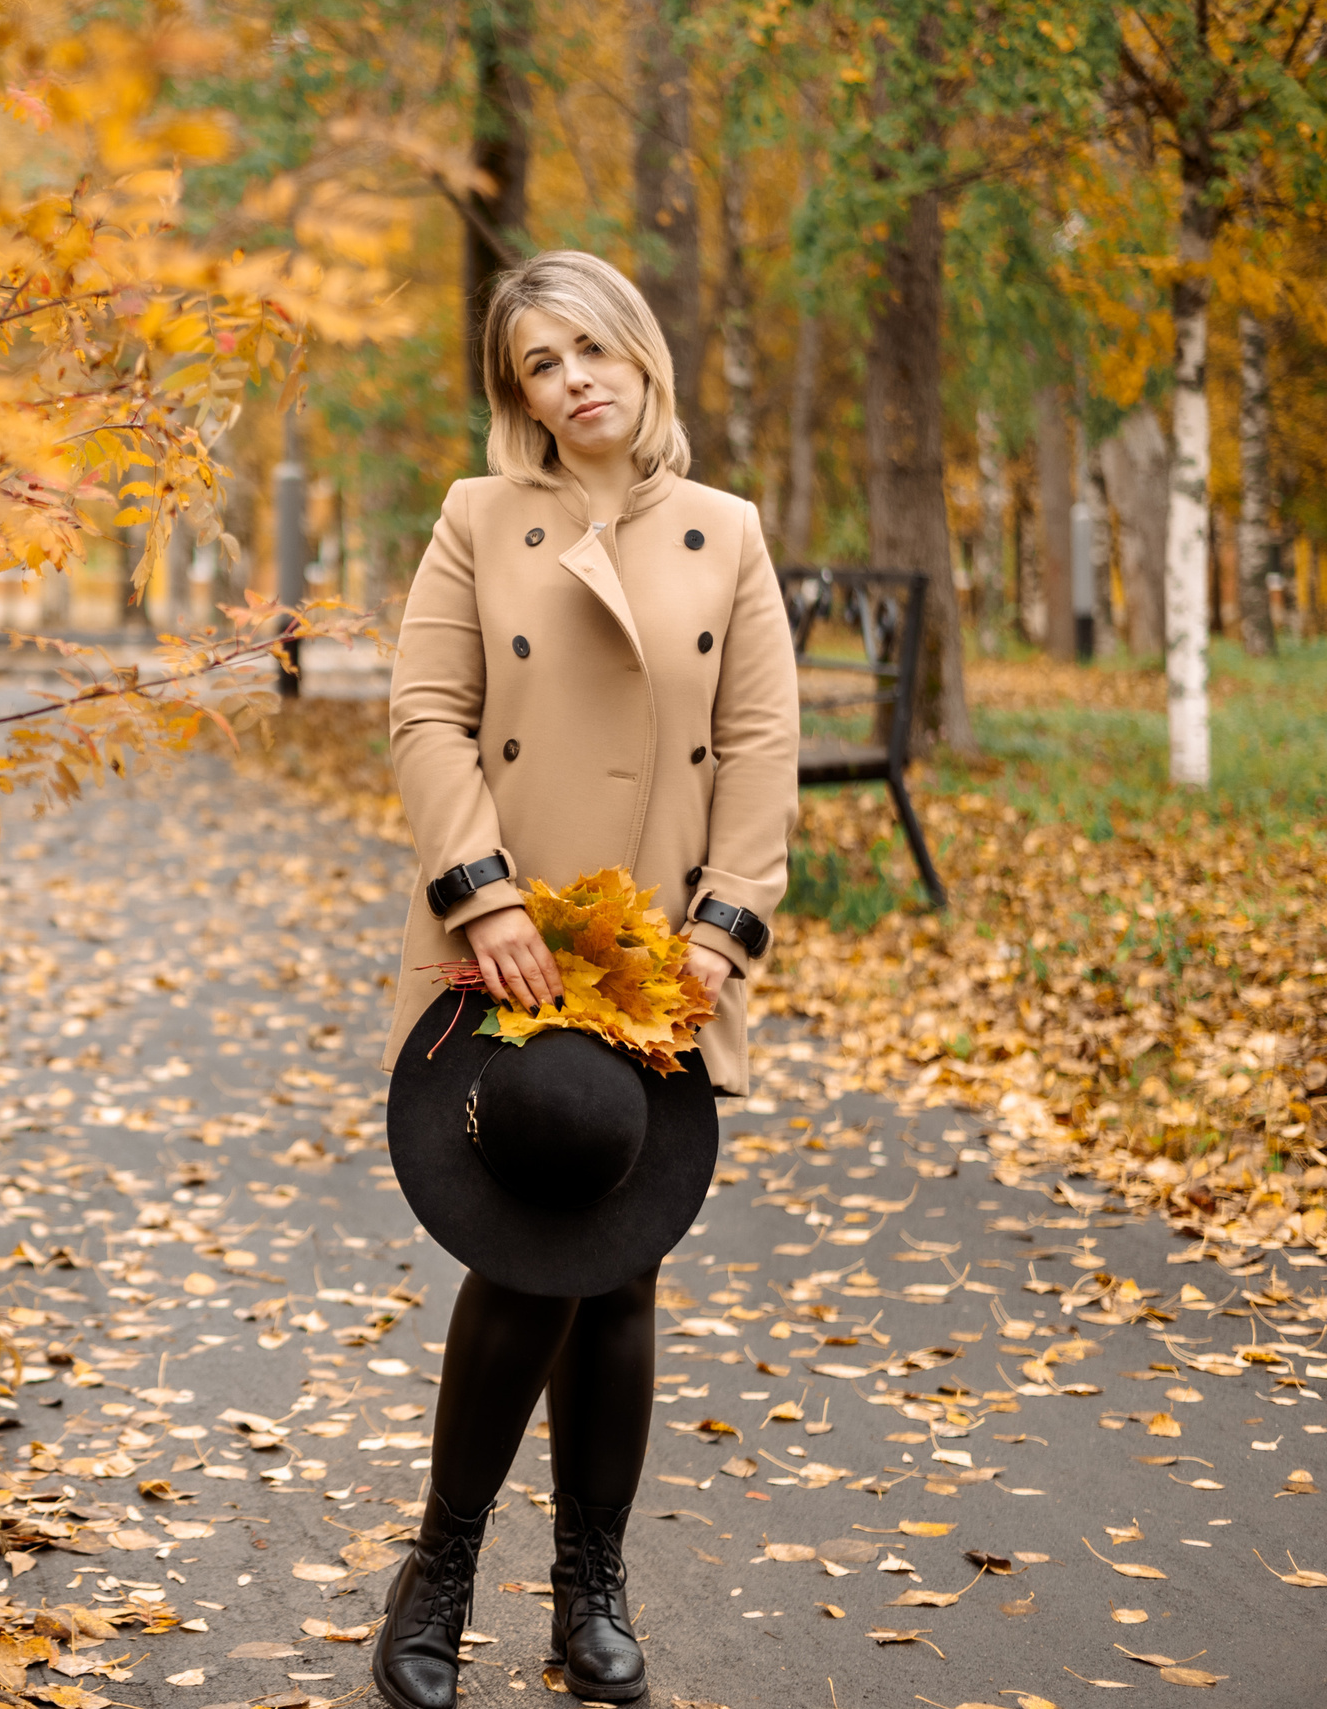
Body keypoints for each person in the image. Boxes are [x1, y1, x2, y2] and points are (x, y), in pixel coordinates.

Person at [368, 250, 800, 1708]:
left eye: (592, 349)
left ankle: (589, 1589)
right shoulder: (481, 520)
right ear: (521, 398)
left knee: (623, 1268)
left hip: (660, 956)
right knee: (525, 1248)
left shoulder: (726, 533)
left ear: (643, 354)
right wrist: (479, 893)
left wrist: (719, 936)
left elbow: (758, 753)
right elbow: (427, 709)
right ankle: (439, 1570)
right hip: (514, 944)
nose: (574, 380)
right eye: (541, 365)